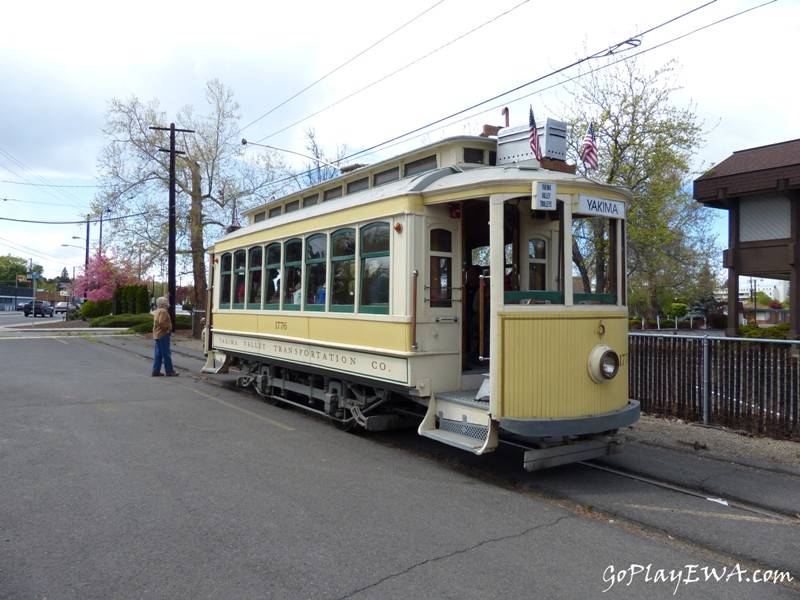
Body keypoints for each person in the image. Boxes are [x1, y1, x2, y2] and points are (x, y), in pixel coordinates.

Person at [152, 296, 179, 377]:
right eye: (166, 301)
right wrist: (167, 329)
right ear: (163, 303)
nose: (167, 302)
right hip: (163, 334)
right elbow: (161, 322)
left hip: (157, 334)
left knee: (158, 353)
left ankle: (156, 371)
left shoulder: (157, 311)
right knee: (166, 353)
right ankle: (169, 370)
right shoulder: (164, 311)